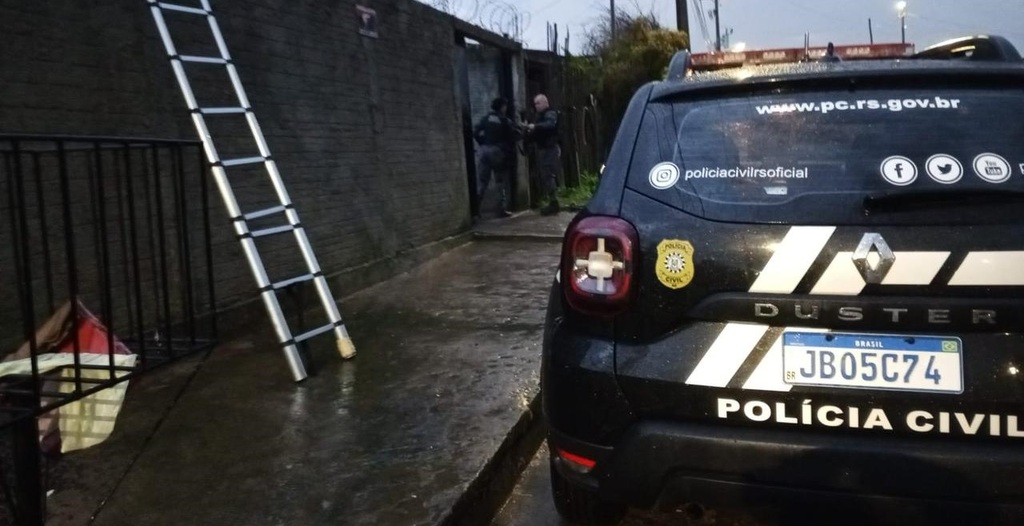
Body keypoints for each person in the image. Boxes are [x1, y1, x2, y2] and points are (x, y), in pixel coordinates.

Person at [473, 97, 519, 218]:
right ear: (502, 107)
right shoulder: (504, 120)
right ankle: (500, 209)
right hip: (497, 153)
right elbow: (514, 135)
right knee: (500, 181)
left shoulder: (486, 118)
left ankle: (475, 211)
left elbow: (476, 132)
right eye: (505, 106)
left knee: (482, 183)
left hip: (483, 151)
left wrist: (482, 142)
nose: (506, 108)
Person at [526, 94, 561, 215]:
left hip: (549, 149)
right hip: (544, 149)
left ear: (545, 102)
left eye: (538, 103)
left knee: (548, 174)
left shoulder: (550, 113)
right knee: (546, 175)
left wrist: (535, 127)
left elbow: (550, 125)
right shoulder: (540, 116)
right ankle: (552, 202)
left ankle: (554, 202)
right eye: (535, 104)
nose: (536, 106)